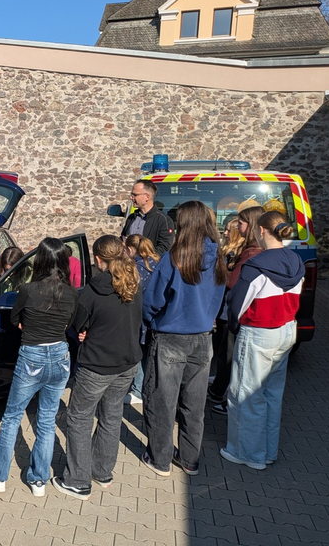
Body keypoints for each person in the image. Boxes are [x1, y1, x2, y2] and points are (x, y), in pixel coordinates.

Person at [0, 237, 78, 497]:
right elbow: (69, 324)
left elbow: (14, 319)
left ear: (40, 260)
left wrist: (30, 327)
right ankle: (38, 481)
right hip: (60, 357)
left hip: (32, 356)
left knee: (11, 417)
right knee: (46, 420)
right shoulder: (71, 293)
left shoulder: (28, 291)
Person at [52, 235, 142, 500]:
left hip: (96, 365)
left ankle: (78, 480)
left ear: (98, 259)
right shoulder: (134, 283)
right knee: (111, 416)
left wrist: (84, 332)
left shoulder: (92, 290)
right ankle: (102, 472)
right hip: (127, 363)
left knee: (79, 418)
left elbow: (78, 323)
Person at [141, 200, 226, 477]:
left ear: (183, 224)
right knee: (194, 404)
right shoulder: (218, 256)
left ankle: (160, 458)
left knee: (161, 401)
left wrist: (152, 321)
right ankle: (190, 460)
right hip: (203, 337)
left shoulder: (174, 257)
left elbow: (152, 300)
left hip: (170, 336)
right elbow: (217, 298)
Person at [221, 212, 304, 470]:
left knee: (246, 394)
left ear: (261, 230)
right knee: (272, 394)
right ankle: (267, 451)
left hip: (259, 332)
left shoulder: (257, 265)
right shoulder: (296, 260)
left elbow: (238, 303)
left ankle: (248, 453)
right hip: (286, 330)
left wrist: (234, 326)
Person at [207, 206, 265, 414]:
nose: (236, 226)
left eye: (240, 222)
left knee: (231, 357)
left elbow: (233, 282)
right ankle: (221, 391)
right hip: (233, 312)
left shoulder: (251, 253)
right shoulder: (248, 250)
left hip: (236, 312)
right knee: (226, 354)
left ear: (250, 225)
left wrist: (225, 270)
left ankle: (225, 396)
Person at [123, 234, 160, 405]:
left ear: (130, 249)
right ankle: (143, 387)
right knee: (147, 354)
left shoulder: (137, 267)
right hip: (155, 316)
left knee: (139, 354)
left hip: (140, 315)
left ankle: (137, 390)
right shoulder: (157, 264)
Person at [121, 179, 175, 255]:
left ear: (147, 197)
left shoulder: (163, 220)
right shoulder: (131, 218)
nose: (131, 197)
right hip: (128, 265)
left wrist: (144, 258)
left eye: (135, 195)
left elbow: (164, 248)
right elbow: (122, 239)